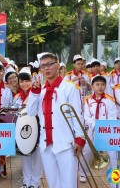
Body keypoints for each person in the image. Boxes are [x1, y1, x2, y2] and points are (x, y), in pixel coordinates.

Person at [26, 52, 85, 188]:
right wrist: (34, 93)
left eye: (50, 64)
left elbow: (77, 115)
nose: (46, 68)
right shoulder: (40, 90)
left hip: (66, 144)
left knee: (69, 183)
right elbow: (31, 112)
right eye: (43, 66)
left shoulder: (69, 87)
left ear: (58, 65)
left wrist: (80, 138)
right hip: (46, 145)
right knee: (53, 183)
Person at [79, 76, 118, 188]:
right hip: (92, 131)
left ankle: (114, 182)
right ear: (92, 86)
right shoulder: (87, 100)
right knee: (86, 152)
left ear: (105, 86)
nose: (100, 87)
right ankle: (83, 173)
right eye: (97, 84)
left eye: (102, 84)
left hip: (107, 133)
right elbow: (86, 116)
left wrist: (103, 127)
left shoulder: (110, 100)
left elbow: (112, 117)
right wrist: (96, 125)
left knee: (113, 157)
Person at [13, 67, 43, 188]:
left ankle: (35, 183)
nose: (24, 84)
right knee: (25, 154)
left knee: (37, 157)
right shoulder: (17, 97)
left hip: (38, 129)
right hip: (23, 131)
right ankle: (26, 181)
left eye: (27, 81)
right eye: (22, 81)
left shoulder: (38, 94)